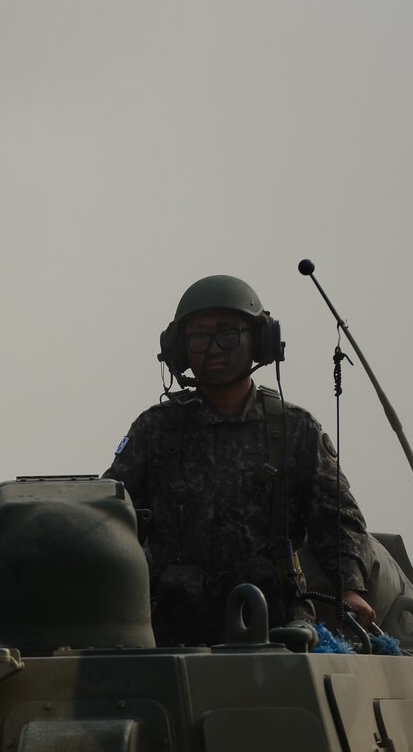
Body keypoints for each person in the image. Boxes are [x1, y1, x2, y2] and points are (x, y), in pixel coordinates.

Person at [105, 274, 374, 646]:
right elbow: (112, 518)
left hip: (278, 633)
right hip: (173, 637)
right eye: (199, 336)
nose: (214, 347)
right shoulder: (155, 431)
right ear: (179, 349)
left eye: (228, 333)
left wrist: (351, 588)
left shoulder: (297, 430)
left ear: (259, 342)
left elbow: (337, 518)